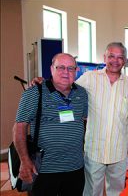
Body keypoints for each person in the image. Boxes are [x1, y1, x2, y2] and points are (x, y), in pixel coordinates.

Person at [13, 53, 88, 196]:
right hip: (43, 170)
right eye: (61, 67)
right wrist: (25, 160)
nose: (66, 72)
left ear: (76, 71)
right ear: (51, 69)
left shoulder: (82, 94)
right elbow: (19, 126)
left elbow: (84, 120)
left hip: (75, 168)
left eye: (71, 68)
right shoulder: (35, 92)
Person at [76, 42, 128, 196]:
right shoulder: (89, 78)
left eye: (120, 57)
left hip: (119, 151)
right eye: (111, 56)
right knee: (91, 192)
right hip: (94, 151)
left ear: (125, 61)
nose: (115, 61)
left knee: (117, 192)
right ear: (104, 57)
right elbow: (66, 89)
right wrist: (43, 84)